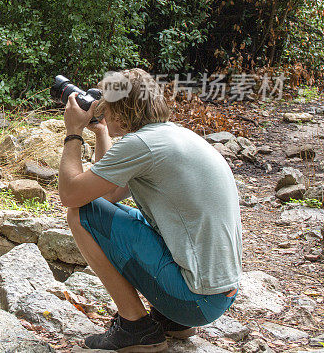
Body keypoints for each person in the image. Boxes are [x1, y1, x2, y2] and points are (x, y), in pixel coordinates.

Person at [58, 68, 241, 353]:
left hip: (194, 300)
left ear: (120, 109)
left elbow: (71, 196)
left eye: (106, 104)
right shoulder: (171, 136)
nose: (101, 108)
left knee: (80, 215)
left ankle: (136, 328)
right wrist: (101, 132)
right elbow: (108, 194)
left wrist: (74, 133)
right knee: (113, 213)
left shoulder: (140, 144)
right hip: (216, 294)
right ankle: (172, 321)